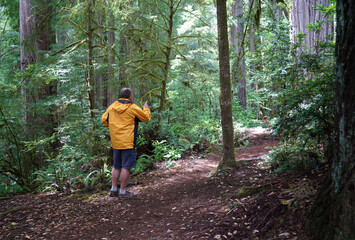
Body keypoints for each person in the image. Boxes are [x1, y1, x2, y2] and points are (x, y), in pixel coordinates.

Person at [102, 88, 151, 199]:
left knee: (116, 166)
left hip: (116, 142)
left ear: (120, 96)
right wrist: (146, 108)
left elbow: (104, 120)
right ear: (130, 97)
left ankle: (114, 190)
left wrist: (114, 127)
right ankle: (123, 192)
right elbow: (146, 117)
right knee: (126, 167)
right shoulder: (132, 108)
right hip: (128, 142)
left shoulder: (111, 107)